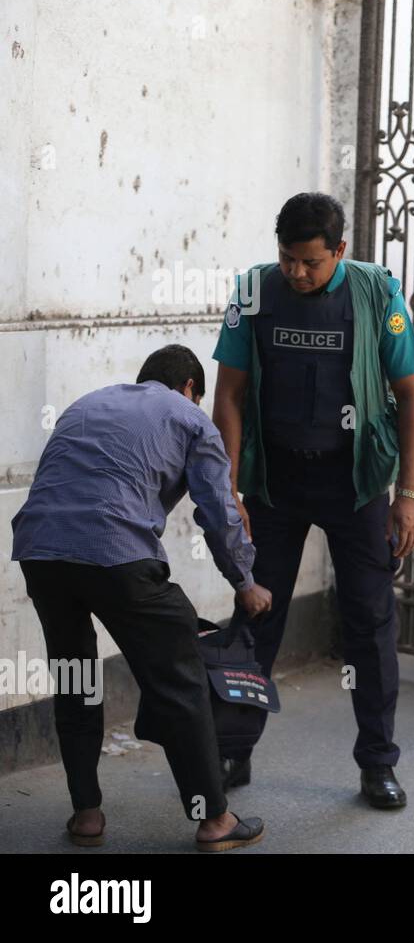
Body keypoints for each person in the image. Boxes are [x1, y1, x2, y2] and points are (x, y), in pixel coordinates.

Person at [211, 192, 414, 809]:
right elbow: (227, 395)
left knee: (371, 620)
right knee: (256, 615)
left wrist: (408, 496)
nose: (296, 273)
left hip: (353, 482)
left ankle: (378, 764)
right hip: (275, 483)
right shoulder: (255, 291)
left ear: (340, 251)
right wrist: (229, 489)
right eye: (287, 259)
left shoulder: (376, 293)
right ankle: (234, 750)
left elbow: (411, 394)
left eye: (310, 262)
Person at [12, 345, 271, 851]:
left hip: (41, 552)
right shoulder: (189, 418)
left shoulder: (86, 404)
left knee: (76, 677)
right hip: (118, 555)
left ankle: (86, 815)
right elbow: (219, 513)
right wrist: (245, 582)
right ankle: (215, 821)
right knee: (181, 679)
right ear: (191, 387)